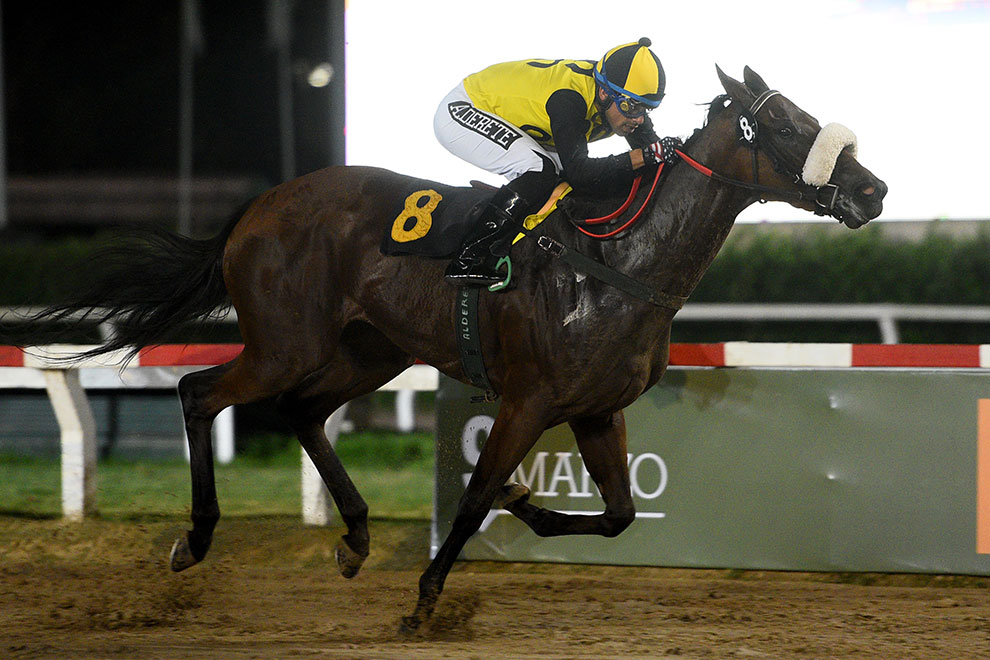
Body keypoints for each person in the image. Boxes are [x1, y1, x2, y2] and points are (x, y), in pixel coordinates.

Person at [434, 37, 682, 285]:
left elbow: (656, 159)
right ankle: (466, 260)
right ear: (604, 93)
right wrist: (644, 156)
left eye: (645, 109)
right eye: (632, 107)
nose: (639, 119)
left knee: (560, 174)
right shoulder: (569, 99)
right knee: (540, 170)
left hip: (506, 115)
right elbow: (581, 173)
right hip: (465, 108)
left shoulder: (617, 95)